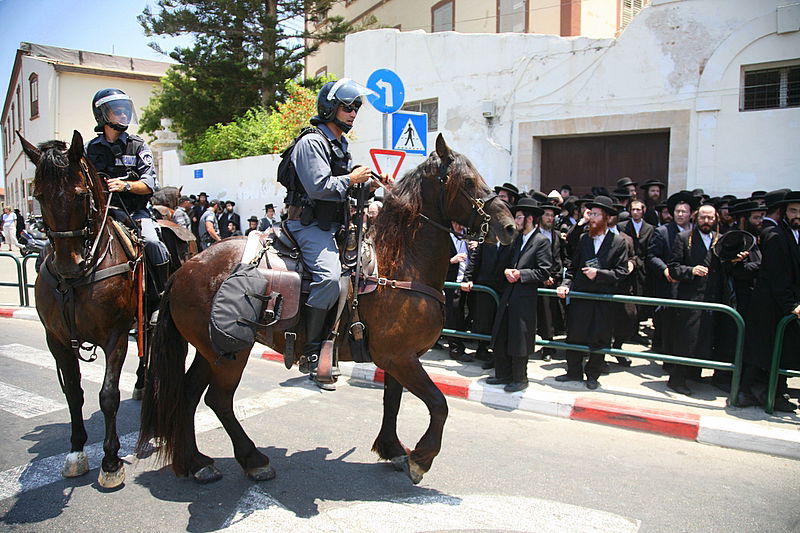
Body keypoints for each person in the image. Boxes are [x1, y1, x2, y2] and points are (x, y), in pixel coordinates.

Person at [285, 78, 391, 388]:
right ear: (330, 107)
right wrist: (352, 178)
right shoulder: (311, 143)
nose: (353, 112)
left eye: (356, 108)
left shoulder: (338, 144)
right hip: (307, 225)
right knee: (330, 278)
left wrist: (369, 183)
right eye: (348, 106)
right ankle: (312, 351)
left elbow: (343, 190)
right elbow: (320, 188)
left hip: (333, 226)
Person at [86, 88, 170, 316]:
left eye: (126, 111)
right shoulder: (89, 150)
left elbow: (150, 184)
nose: (124, 115)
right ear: (103, 115)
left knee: (153, 243)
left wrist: (126, 186)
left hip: (135, 213)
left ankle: (160, 299)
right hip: (101, 215)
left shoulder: (138, 146)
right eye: (118, 111)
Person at [556, 196, 628, 390]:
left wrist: (599, 274)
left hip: (603, 298)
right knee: (575, 335)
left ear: (606, 218)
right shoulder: (583, 238)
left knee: (599, 338)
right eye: (590, 214)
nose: (592, 218)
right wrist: (566, 284)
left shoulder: (618, 242)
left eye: (596, 214)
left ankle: (593, 374)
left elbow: (621, 272)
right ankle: (573, 371)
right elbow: (572, 266)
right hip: (582, 297)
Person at [740, 191, 800, 411]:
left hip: (782, 301)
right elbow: (777, 276)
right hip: (769, 304)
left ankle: (774, 393)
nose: (797, 216)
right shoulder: (776, 235)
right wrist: (791, 305)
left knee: (779, 350)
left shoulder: (793, 234)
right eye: (793, 211)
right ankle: (745, 392)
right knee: (762, 351)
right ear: (784, 212)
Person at [488, 198, 552, 392]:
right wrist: (508, 270)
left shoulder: (541, 241)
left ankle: (519, 378)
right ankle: (503, 374)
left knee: (520, 338)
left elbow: (544, 271)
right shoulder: (517, 239)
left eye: (519, 217)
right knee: (503, 334)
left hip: (525, 296)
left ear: (529, 219)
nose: (516, 221)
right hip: (508, 294)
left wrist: (521, 274)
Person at [666, 204, 727, 396]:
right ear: (696, 218)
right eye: (703, 218)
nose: (706, 222)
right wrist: (691, 270)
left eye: (710, 218)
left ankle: (694, 373)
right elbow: (674, 267)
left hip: (713, 297)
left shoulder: (720, 239)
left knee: (705, 338)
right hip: (691, 297)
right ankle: (676, 379)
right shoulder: (684, 238)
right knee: (687, 339)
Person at [534, 201, 564, 362]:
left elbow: (559, 258)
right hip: (535, 279)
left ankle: (548, 347)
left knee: (548, 317)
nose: (550, 218)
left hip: (551, 282)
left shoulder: (556, 235)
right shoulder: (533, 234)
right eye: (547, 215)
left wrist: (554, 276)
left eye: (552, 216)